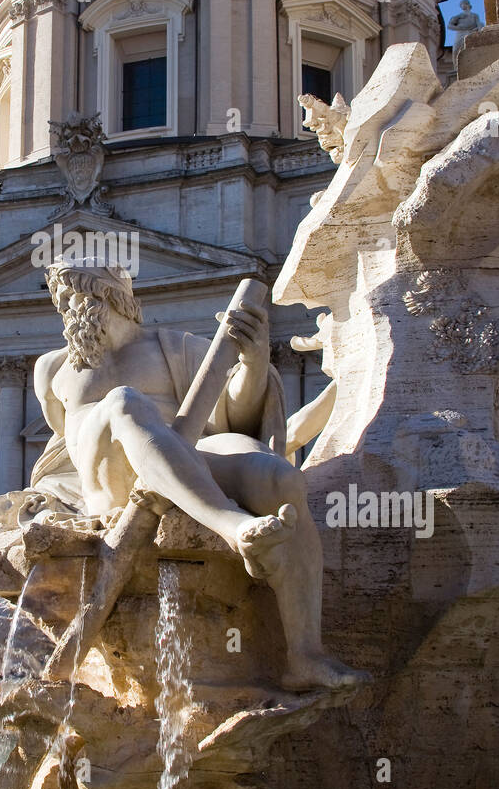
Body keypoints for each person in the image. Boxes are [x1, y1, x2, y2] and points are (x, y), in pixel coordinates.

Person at [32, 260, 365, 691]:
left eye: (78, 294)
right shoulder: (52, 368)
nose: (69, 308)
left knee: (279, 478)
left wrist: (254, 362)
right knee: (123, 404)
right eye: (62, 300)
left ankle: (305, 654)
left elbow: (235, 417)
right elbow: (66, 448)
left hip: (187, 458)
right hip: (113, 480)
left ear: (116, 297)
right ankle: (234, 526)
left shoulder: (175, 346)